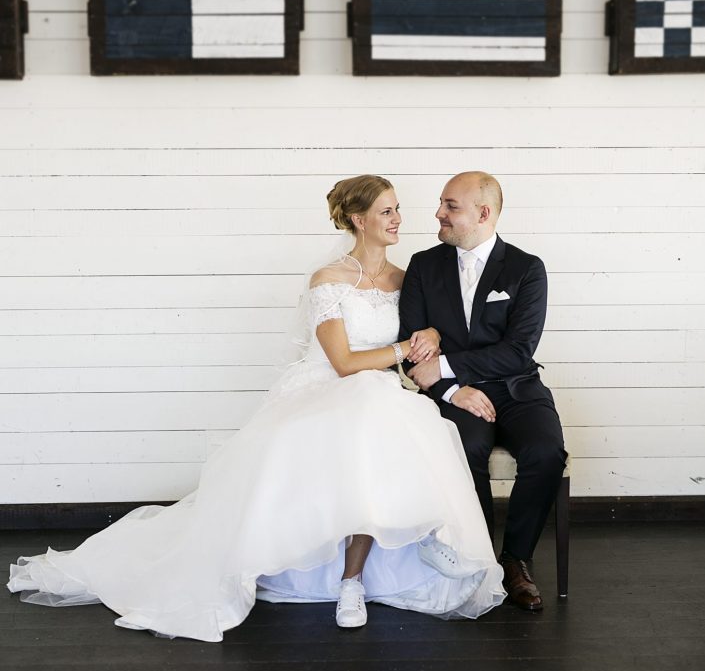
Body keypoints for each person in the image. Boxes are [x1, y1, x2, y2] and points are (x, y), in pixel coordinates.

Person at [8, 175, 505, 641]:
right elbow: (343, 362)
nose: (399, 219)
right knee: (366, 416)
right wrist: (403, 348)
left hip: (377, 389)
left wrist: (429, 335)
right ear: (359, 220)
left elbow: (424, 336)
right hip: (329, 385)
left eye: (397, 210)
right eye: (387, 211)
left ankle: (396, 550)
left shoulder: (407, 278)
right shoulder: (328, 279)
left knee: (403, 422)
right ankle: (343, 575)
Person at [400, 172, 567, 612]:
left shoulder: (526, 268)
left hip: (517, 388)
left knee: (546, 451)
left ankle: (515, 560)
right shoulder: (423, 266)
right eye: (441, 203)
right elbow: (411, 344)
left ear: (483, 213)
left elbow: (518, 351)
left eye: (450, 206)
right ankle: (478, 557)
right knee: (466, 445)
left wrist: (446, 365)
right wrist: (451, 389)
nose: (438, 213)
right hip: (454, 393)